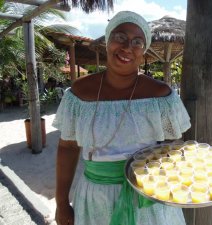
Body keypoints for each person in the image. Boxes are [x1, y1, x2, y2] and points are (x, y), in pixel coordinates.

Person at [53, 11, 191, 225]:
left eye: (137, 42)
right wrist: (61, 203)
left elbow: (174, 147)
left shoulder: (161, 95)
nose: (127, 47)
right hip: (95, 200)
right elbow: (68, 148)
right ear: (108, 41)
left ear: (143, 51)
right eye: (120, 37)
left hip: (148, 201)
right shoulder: (80, 93)